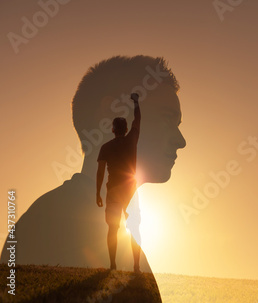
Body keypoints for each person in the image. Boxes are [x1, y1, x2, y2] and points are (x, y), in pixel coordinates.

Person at [0, 55, 186, 302]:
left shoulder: (122, 242)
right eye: (167, 117)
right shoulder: (51, 223)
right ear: (115, 112)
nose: (181, 141)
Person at [96, 92, 142, 272]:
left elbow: (100, 172)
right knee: (134, 228)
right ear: (125, 129)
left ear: (113, 129)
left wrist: (97, 193)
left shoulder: (106, 147)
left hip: (114, 191)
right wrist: (136, 102)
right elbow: (137, 120)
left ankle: (113, 265)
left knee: (113, 228)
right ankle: (136, 267)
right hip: (131, 190)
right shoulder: (132, 140)